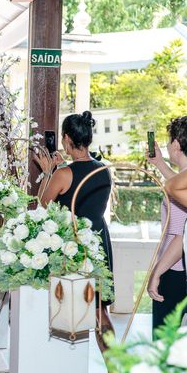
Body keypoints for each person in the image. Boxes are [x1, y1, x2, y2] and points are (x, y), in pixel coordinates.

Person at [34, 110, 115, 353]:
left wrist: (49, 171)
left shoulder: (64, 173)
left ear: (67, 139)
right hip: (99, 240)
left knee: (69, 302)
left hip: (74, 242)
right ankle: (115, 366)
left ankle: (66, 360)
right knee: (100, 309)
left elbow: (43, 204)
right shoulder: (103, 169)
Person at [149, 117, 187, 329]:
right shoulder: (183, 181)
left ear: (176, 144)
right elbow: (176, 182)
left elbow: (179, 236)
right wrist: (160, 163)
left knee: (165, 341)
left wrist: (157, 272)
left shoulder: (178, 189)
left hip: (174, 270)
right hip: (180, 270)